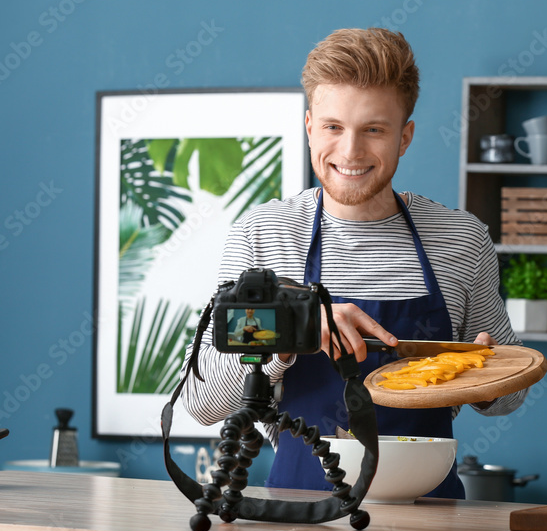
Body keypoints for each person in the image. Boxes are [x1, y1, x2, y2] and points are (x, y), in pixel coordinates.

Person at [181, 27, 527, 498]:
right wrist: (293, 332)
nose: (350, 151)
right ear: (309, 128)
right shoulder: (263, 237)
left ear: (404, 137)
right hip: (301, 510)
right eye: (333, 127)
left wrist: (484, 377)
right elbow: (200, 401)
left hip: (429, 518)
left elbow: (510, 396)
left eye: (374, 130)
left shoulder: (460, 240)